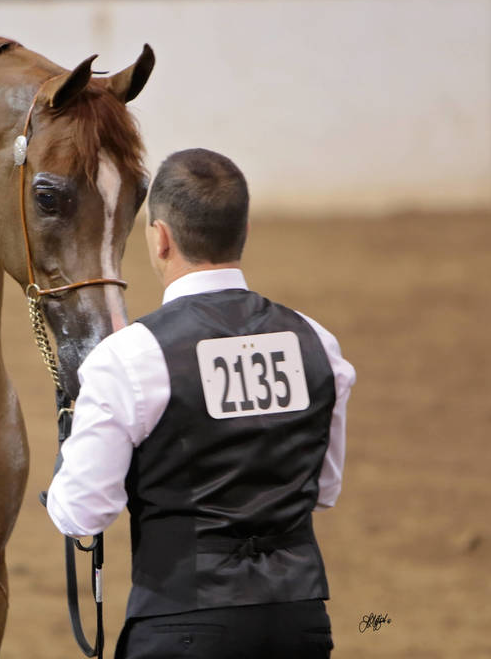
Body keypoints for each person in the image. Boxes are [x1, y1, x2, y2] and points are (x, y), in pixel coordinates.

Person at [45, 148, 354, 658]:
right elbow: (324, 488)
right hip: (300, 620)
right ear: (244, 230)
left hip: (182, 625)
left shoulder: (128, 356)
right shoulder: (316, 341)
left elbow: (81, 514)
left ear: (161, 238)